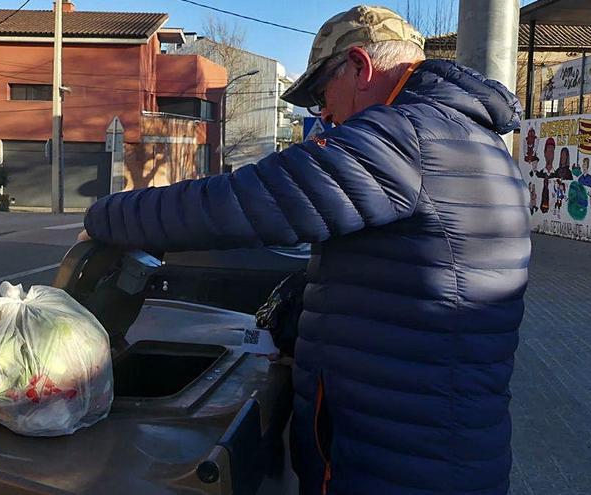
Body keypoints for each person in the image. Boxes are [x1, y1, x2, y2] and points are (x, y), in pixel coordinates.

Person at [79, 5, 529, 494]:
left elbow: (243, 202)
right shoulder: (467, 137)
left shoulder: (401, 138)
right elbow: (409, 273)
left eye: (321, 94)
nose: (324, 113)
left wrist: (105, 218)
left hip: (399, 461)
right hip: (437, 439)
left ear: (360, 66)